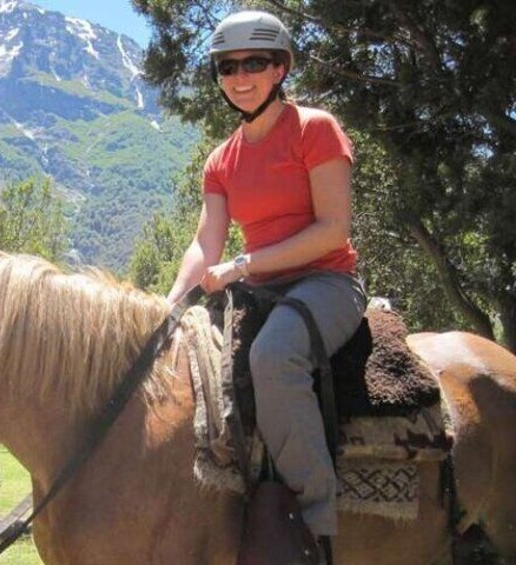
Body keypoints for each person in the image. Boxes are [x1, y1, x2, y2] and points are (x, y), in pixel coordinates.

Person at [167, 9, 366, 551]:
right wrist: (168, 305)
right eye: (227, 67)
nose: (240, 76)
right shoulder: (220, 160)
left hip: (326, 283)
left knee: (272, 357)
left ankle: (316, 525)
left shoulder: (315, 129)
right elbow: (206, 242)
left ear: (280, 68)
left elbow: (332, 230)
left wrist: (244, 265)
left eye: (255, 62)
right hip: (259, 289)